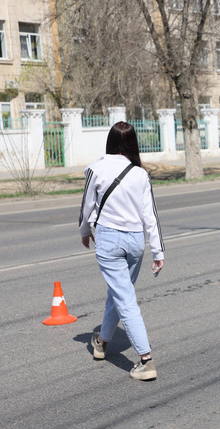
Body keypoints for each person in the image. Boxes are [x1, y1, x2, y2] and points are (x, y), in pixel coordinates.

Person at [79, 121, 165, 381]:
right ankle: (102, 341)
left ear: (110, 140)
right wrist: (158, 251)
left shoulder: (96, 168)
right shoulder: (140, 173)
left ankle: (146, 360)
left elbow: (86, 206)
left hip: (109, 240)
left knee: (125, 299)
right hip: (135, 242)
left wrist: (85, 231)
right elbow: (150, 215)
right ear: (132, 143)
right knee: (118, 292)